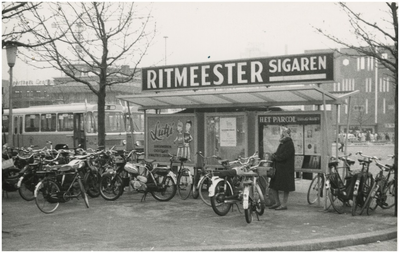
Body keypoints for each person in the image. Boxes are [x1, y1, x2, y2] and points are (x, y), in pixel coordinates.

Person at [268, 126, 295, 211]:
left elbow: (285, 155)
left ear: (287, 134)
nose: (281, 134)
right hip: (279, 168)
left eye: (283, 132)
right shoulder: (282, 143)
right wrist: (274, 155)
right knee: (273, 186)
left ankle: (284, 204)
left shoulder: (289, 143)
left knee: (285, 187)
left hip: (285, 169)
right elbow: (279, 153)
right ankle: (277, 203)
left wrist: (276, 157)